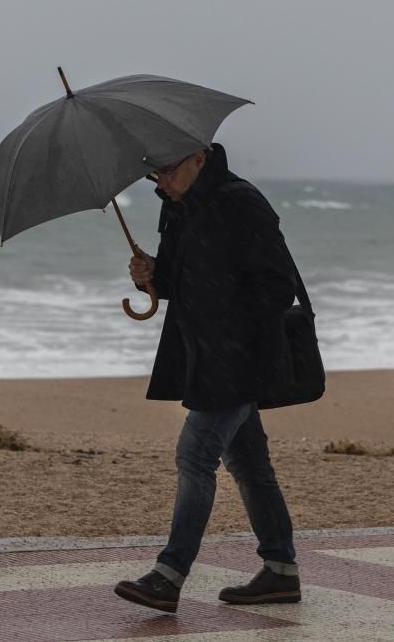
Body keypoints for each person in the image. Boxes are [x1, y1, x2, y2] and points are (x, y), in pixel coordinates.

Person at [113, 143, 301, 614]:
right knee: (249, 463)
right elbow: (178, 282)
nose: (161, 182)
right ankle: (281, 572)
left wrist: (225, 324)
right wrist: (150, 274)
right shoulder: (178, 207)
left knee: (195, 455)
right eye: (154, 175)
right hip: (202, 356)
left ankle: (169, 575)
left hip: (240, 357)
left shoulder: (241, 201)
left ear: (199, 156)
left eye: (167, 171)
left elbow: (279, 284)